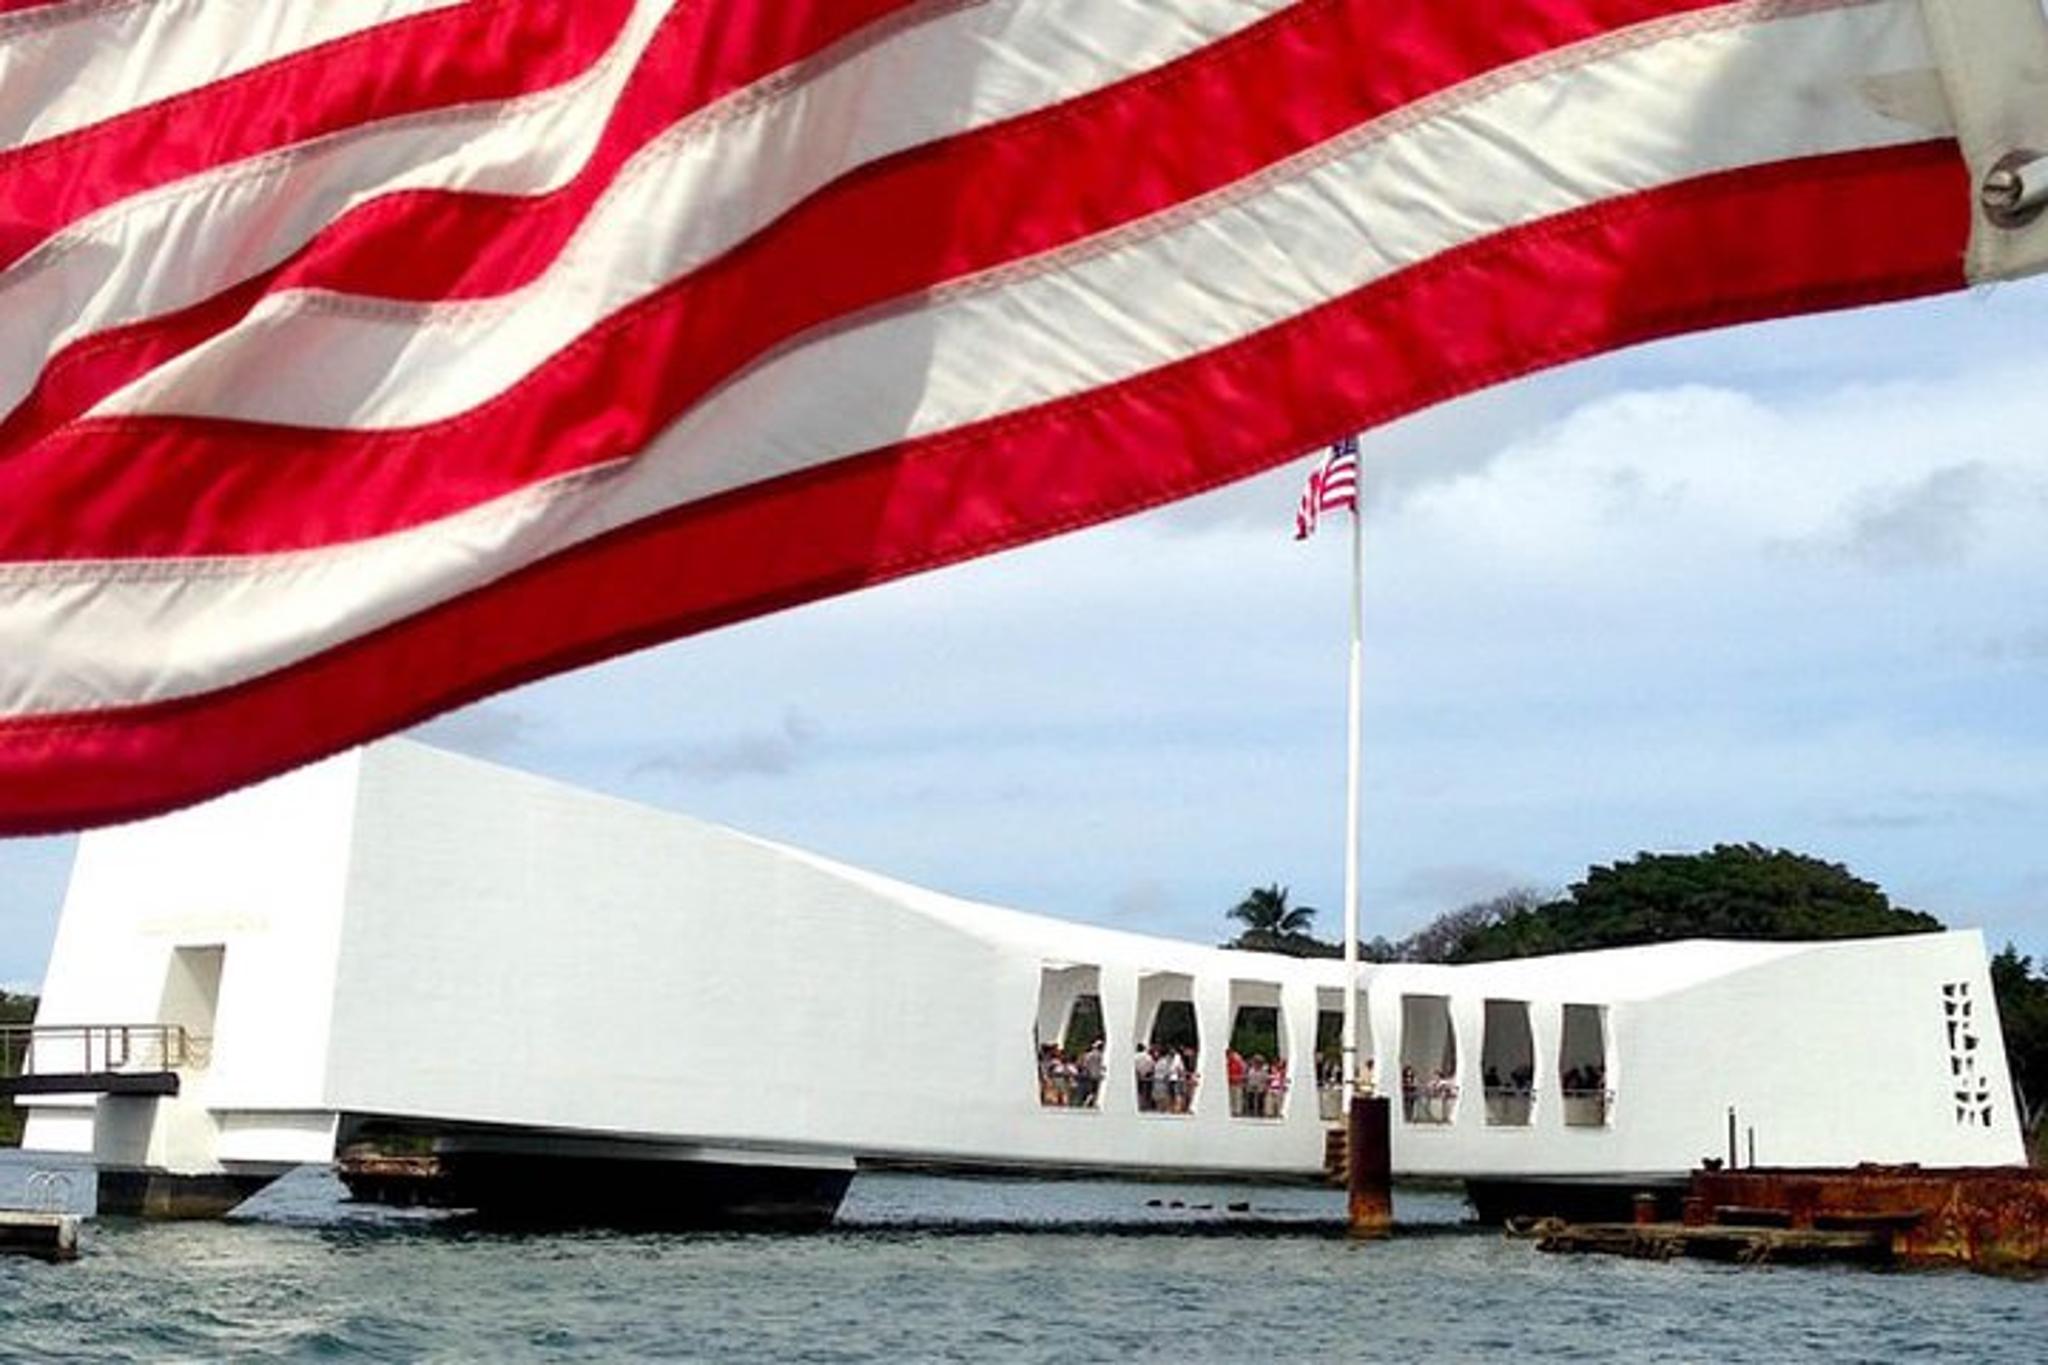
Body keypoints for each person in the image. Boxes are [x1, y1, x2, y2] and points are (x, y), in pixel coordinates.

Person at [1079, 1039, 1105, 1108]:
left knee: (1090, 1090)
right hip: (1096, 1075)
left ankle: (1088, 1102)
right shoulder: (1100, 1055)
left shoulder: (1088, 1055)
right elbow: (1101, 1065)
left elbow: (1084, 1064)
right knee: (1094, 1090)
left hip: (1089, 1074)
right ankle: (1089, 1102)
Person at [1135, 1044, 1156, 1111]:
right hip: (1147, 1076)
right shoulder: (1148, 1057)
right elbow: (1152, 1065)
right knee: (1146, 1092)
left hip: (1137, 1076)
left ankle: (1138, 1105)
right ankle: (1145, 1105)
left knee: (1138, 1091)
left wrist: (1139, 1072)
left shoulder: (1135, 1056)